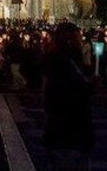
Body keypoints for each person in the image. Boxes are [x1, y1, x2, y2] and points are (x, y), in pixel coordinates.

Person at [42, 22, 94, 170]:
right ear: (69, 41)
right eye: (78, 39)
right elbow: (66, 95)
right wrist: (87, 88)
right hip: (69, 135)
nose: (81, 42)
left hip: (65, 133)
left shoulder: (59, 62)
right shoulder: (62, 64)